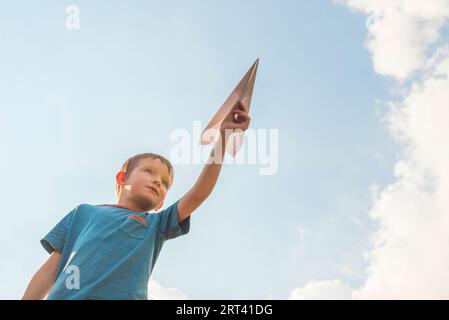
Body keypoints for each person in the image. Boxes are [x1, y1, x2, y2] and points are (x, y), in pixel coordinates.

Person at [22, 100, 251, 299]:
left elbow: (199, 193)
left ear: (161, 203)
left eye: (165, 183)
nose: (157, 182)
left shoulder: (157, 224)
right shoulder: (82, 213)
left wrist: (223, 138)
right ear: (122, 178)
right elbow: (50, 270)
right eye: (149, 172)